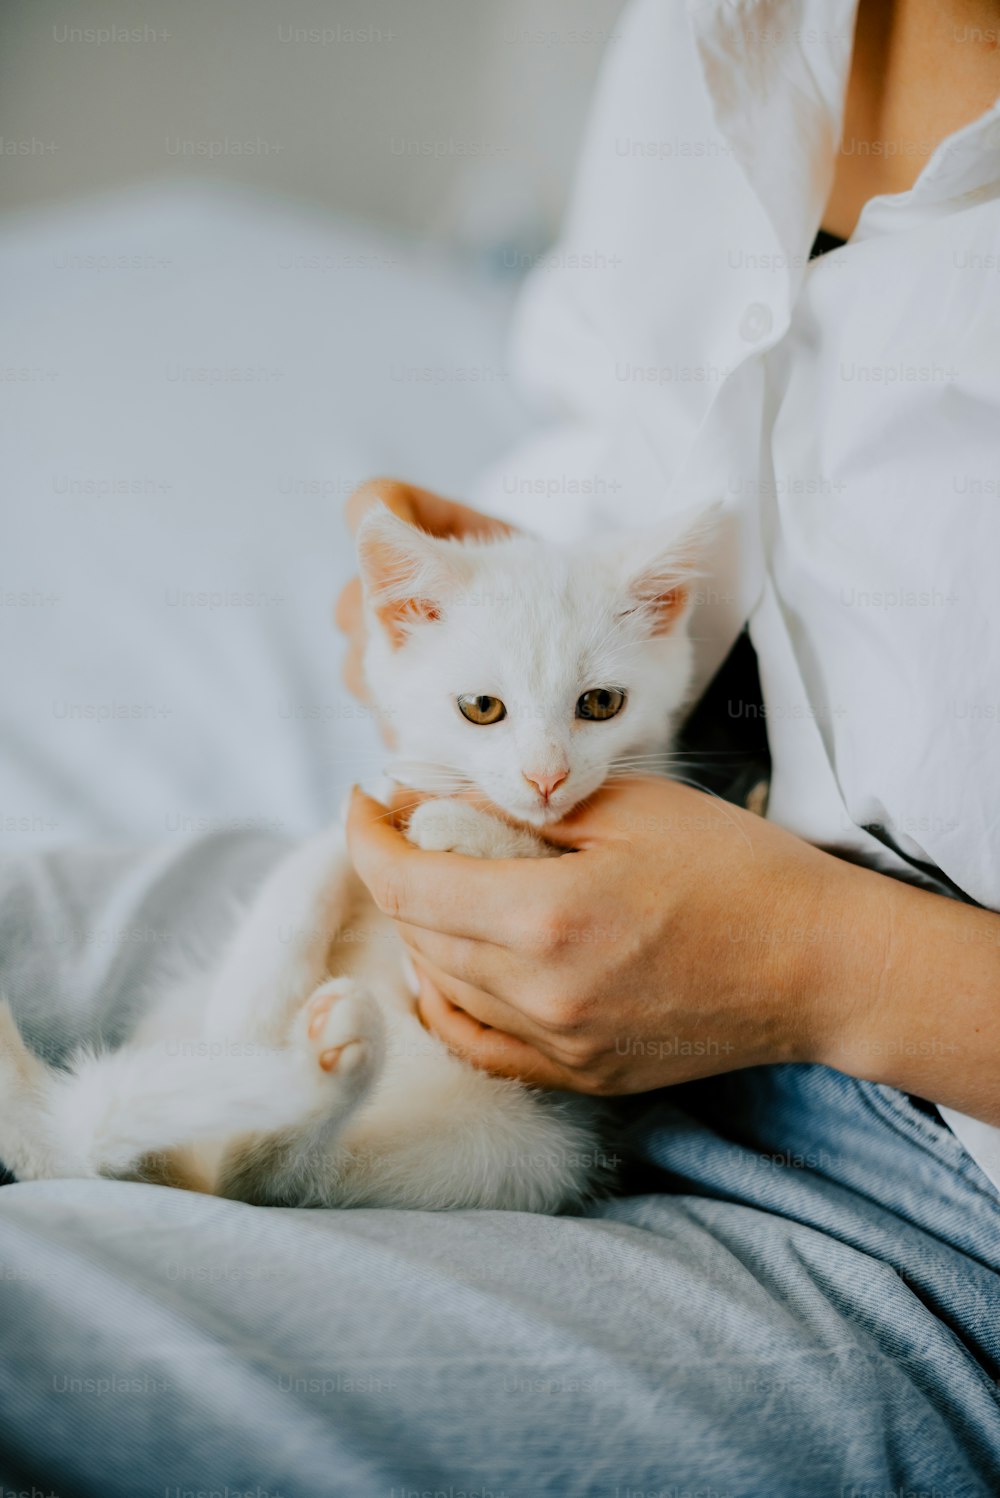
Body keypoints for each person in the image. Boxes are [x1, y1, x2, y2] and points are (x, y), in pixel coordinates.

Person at [330, 0, 1000, 1489]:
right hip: (592, 955)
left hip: (947, 1220)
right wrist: (483, 589)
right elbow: (628, 448)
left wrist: (826, 968)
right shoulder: (714, 27)